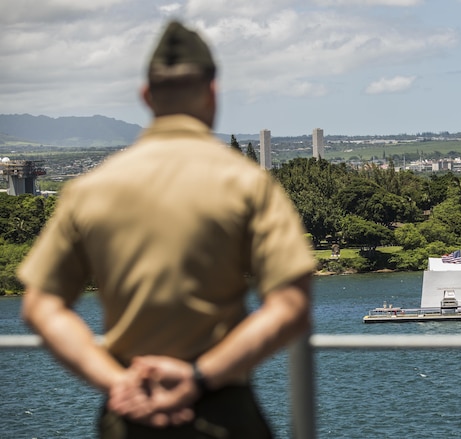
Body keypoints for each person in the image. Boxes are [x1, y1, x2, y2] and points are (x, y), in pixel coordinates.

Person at [19, 20, 316, 438]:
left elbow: (41, 307)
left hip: (128, 412)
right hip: (222, 413)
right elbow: (291, 306)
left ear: (146, 95)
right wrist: (198, 377)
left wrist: (115, 381)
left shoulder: (89, 190)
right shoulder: (247, 183)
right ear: (213, 92)